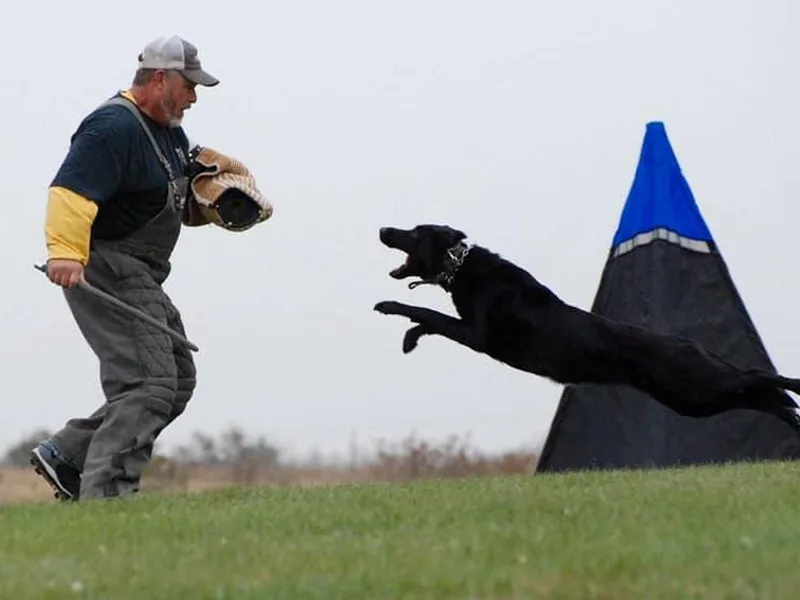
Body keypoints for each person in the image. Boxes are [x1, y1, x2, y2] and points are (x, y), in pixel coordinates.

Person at [31, 35, 222, 501]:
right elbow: (70, 192)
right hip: (106, 267)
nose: (195, 97)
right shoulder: (112, 127)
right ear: (160, 79)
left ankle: (70, 456)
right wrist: (64, 253)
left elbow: (163, 200)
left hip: (141, 272)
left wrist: (215, 201)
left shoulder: (169, 132)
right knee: (146, 384)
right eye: (189, 86)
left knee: (177, 377)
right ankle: (108, 498)